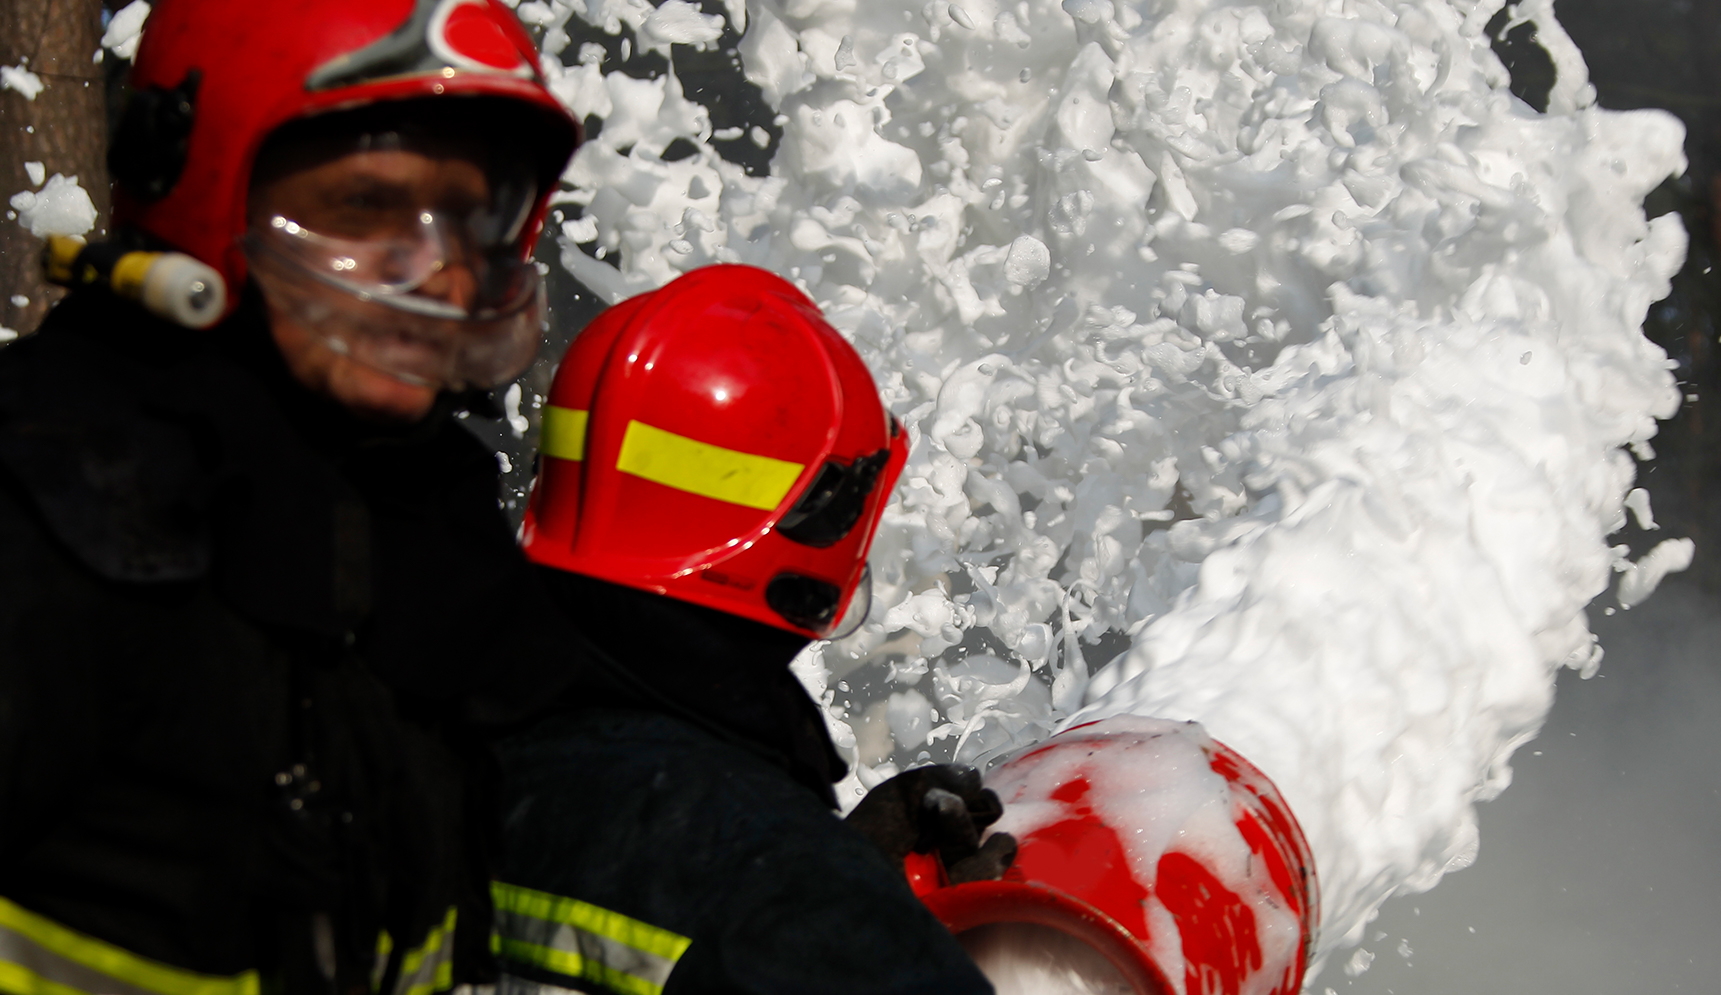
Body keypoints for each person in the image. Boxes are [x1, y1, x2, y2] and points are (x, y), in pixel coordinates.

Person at [0, 2, 583, 994]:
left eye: (475, 217)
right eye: (364, 205)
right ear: (201, 177)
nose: (436, 274)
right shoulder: (51, 511)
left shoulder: (427, 538)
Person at [492, 265, 1013, 995]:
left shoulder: (403, 733)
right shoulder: (793, 899)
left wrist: (839, 864)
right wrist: (847, 909)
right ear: (818, 520)